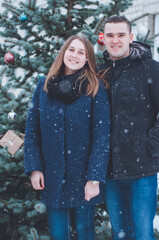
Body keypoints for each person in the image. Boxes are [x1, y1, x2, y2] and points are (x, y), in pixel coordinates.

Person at [24, 35, 110, 240]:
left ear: (87, 59)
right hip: (53, 175)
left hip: (83, 177)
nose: (75, 55)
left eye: (81, 52)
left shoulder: (94, 88)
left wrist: (94, 178)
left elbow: (101, 136)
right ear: (64, 52)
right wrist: (35, 168)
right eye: (71, 50)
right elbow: (32, 130)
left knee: (84, 231)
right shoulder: (44, 86)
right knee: (58, 234)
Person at [98, 15, 159, 240]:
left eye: (121, 35)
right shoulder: (100, 72)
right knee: (120, 234)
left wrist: (150, 144)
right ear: (103, 39)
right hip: (111, 171)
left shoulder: (150, 69)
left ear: (130, 37)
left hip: (142, 171)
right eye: (110, 35)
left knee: (143, 235)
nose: (115, 40)